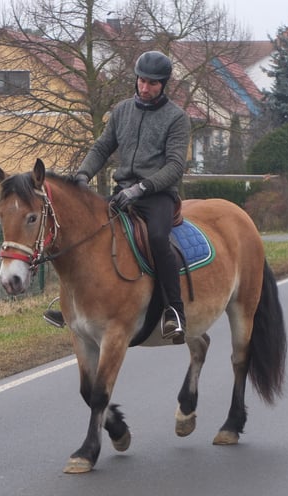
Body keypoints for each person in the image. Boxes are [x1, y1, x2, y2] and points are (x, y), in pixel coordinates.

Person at [43, 50, 191, 343]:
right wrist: (83, 174)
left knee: (159, 240)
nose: (145, 88)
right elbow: (101, 147)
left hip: (157, 196)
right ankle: (72, 305)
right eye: (141, 81)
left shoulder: (177, 118)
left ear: (164, 85)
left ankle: (174, 311)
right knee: (86, 234)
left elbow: (175, 166)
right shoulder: (122, 111)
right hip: (123, 193)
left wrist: (143, 188)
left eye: (152, 83)